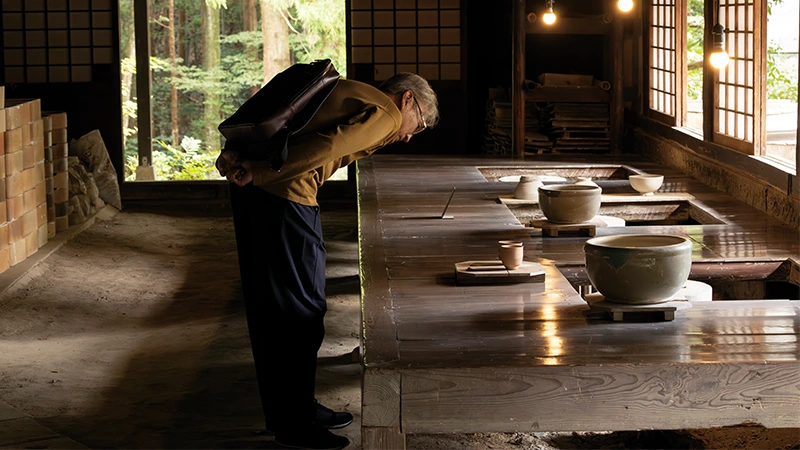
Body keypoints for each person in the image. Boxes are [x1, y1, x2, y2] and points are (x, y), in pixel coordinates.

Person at [216, 72, 438, 450]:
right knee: (300, 313)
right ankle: (295, 425)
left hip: (258, 194)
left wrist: (252, 167)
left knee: (272, 309)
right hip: (285, 196)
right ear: (406, 100)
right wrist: (264, 171)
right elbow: (324, 146)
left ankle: (293, 410)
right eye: (417, 125)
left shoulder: (350, 93)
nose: (407, 137)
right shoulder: (384, 111)